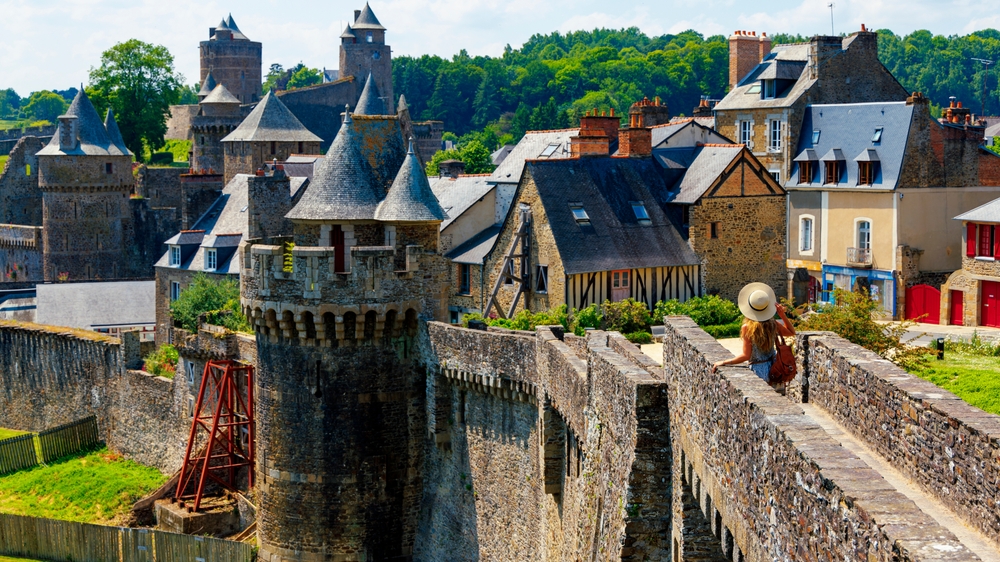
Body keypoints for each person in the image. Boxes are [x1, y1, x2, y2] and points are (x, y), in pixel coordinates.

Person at [712, 283, 794, 386]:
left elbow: (746, 356)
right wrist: (782, 315)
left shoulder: (747, 328)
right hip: (775, 370)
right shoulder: (773, 324)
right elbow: (791, 332)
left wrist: (724, 362)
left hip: (759, 371)